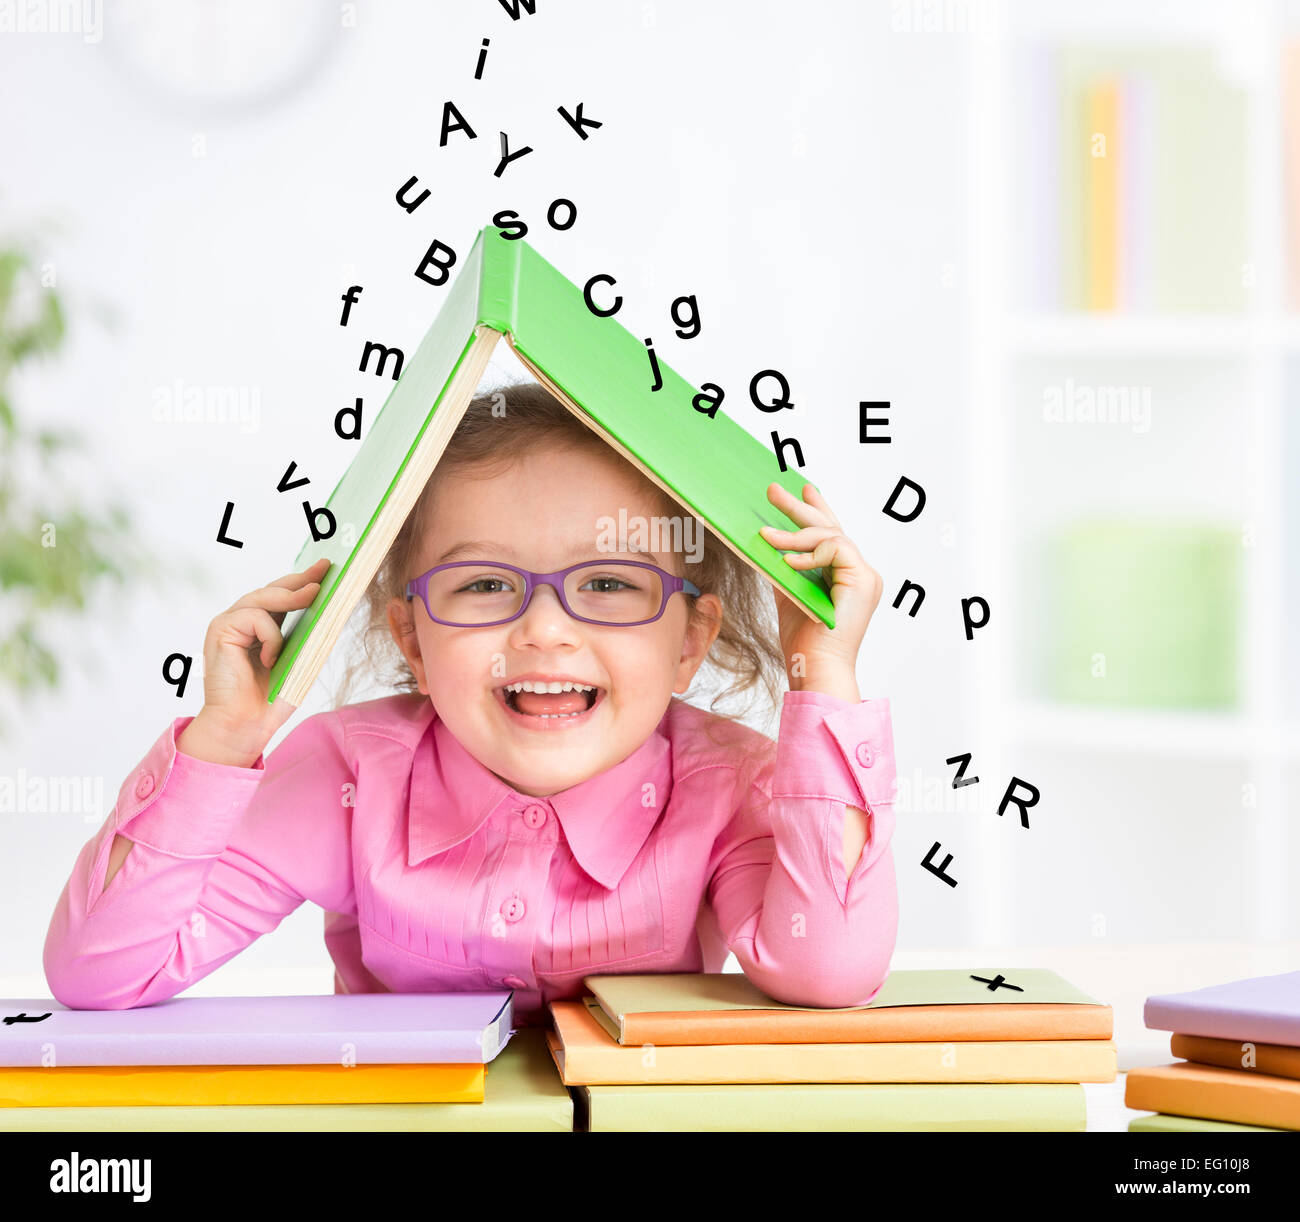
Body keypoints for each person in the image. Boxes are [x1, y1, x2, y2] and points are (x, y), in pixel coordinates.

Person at [43, 382, 899, 1027]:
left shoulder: (729, 783)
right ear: (412, 640)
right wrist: (220, 744)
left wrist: (822, 668)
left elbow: (829, 970)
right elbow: (102, 973)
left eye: (607, 582)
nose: (545, 631)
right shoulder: (347, 775)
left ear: (689, 640)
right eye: (485, 583)